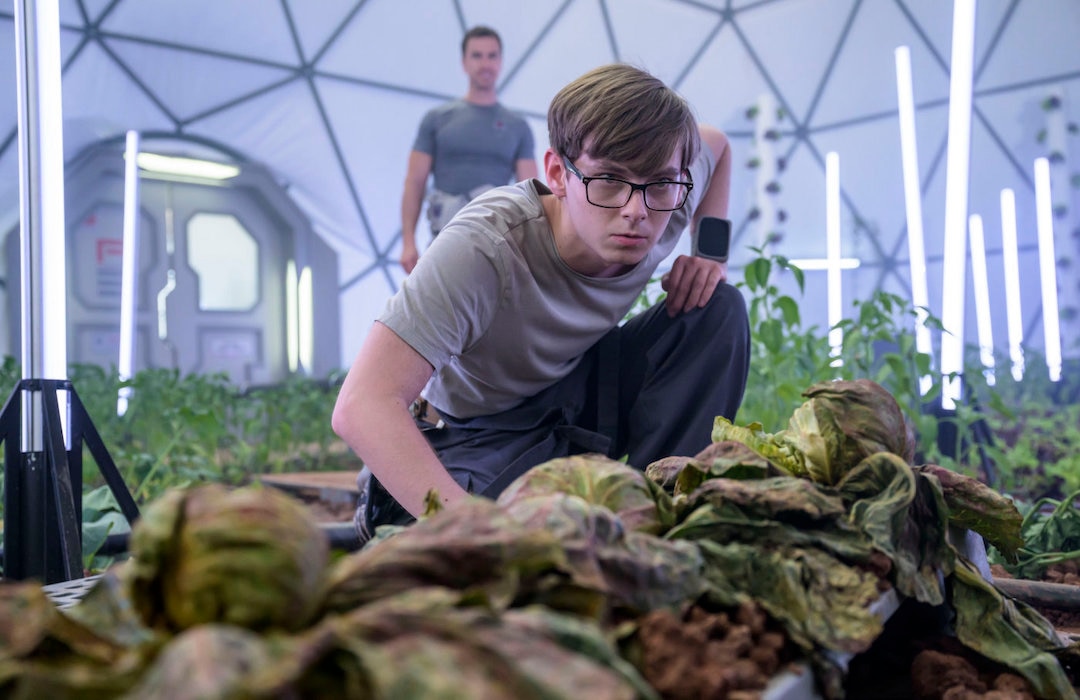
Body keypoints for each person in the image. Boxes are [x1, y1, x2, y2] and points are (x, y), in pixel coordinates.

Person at [334, 63, 750, 539]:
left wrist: (709, 257)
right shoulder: (486, 247)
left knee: (718, 308)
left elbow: (717, 145)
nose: (635, 211)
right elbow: (362, 404)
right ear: (557, 173)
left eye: (659, 183)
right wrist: (476, 530)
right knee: (507, 550)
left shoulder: (665, 197)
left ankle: (659, 517)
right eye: (609, 180)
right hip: (479, 431)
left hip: (580, 391)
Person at [399, 25, 538, 273]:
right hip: (443, 242)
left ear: (500, 61)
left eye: (492, 56)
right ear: (464, 62)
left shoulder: (517, 126)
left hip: (496, 245)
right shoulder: (437, 119)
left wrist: (531, 249)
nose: (485, 63)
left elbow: (530, 193)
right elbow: (414, 182)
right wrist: (408, 242)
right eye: (477, 55)